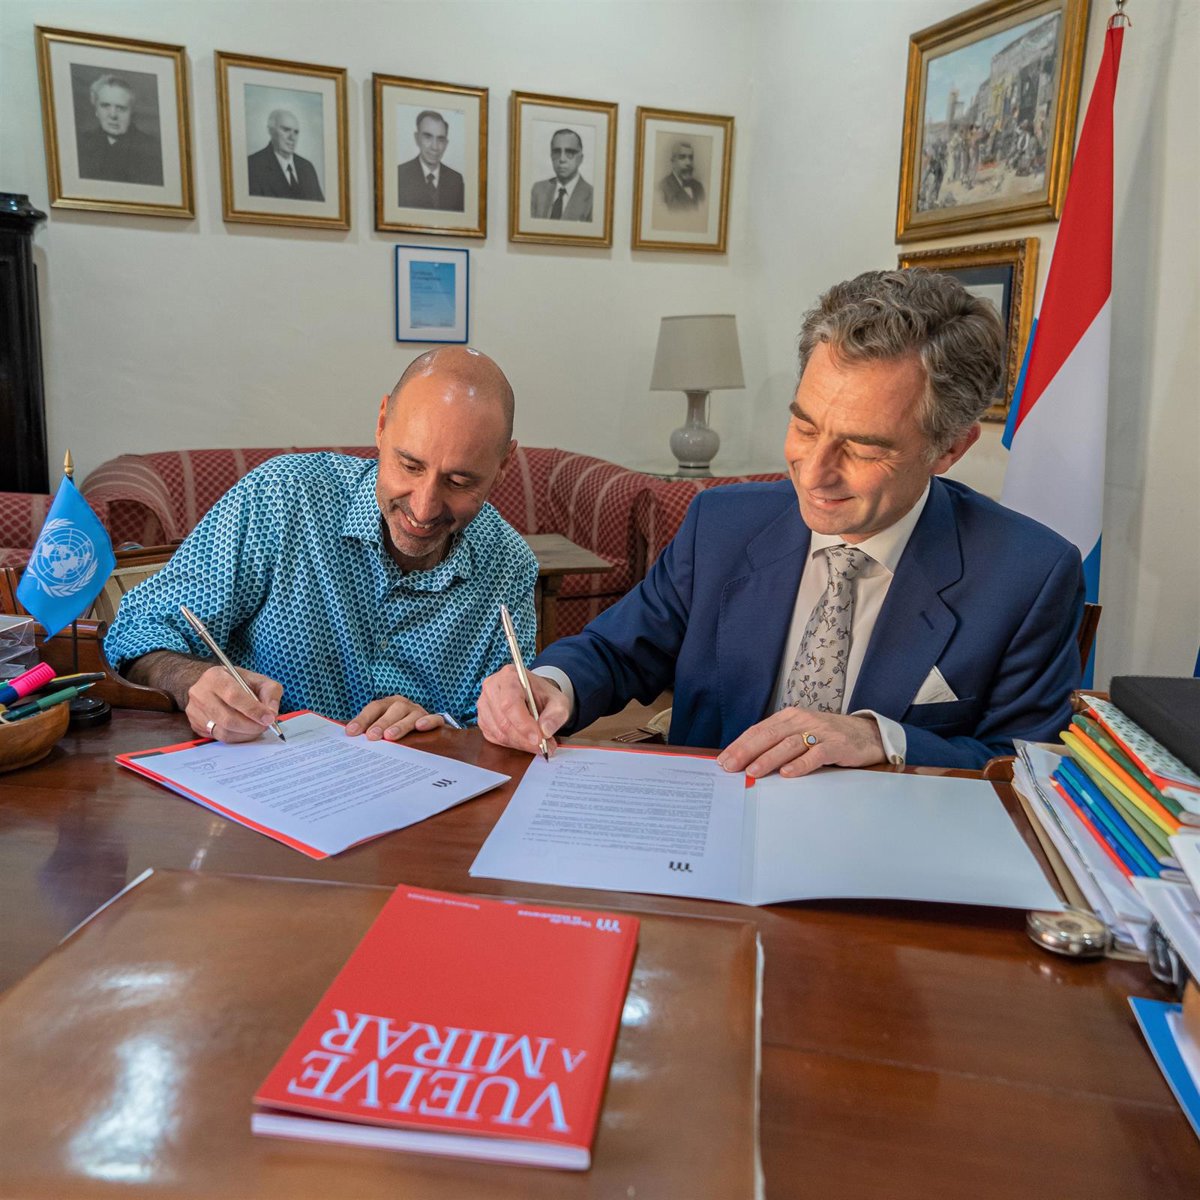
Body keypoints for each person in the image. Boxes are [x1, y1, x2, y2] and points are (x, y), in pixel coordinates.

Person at [478, 269, 1083, 775]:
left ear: (949, 448)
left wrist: (884, 740)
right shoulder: (721, 524)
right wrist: (551, 684)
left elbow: (1027, 767)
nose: (813, 473)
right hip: (706, 830)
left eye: (863, 448)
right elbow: (615, 650)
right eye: (805, 426)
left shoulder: (1027, 575)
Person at [105, 347, 537, 744]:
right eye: (409, 465)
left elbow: (498, 727)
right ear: (382, 424)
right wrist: (193, 681)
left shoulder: (509, 566)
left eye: (459, 482)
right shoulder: (282, 498)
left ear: (502, 466)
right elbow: (137, 631)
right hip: (264, 785)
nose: (423, 509)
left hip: (422, 794)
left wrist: (440, 730)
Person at [76, 74, 163, 186]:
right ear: (96, 110)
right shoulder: (81, 144)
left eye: (121, 108)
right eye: (105, 106)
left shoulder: (152, 150)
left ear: (132, 112)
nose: (113, 115)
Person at [247, 109, 324, 201]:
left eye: (296, 132)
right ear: (271, 131)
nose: (292, 137)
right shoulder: (252, 165)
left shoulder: (307, 167)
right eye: (286, 130)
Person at [396, 110, 465, 211]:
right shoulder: (399, 175)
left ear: (446, 144)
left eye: (440, 139)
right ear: (417, 138)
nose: (435, 147)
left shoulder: (456, 180)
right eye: (428, 137)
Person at [529, 129, 593, 221]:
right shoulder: (538, 190)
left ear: (580, 158)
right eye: (557, 152)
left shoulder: (592, 197)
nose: (562, 159)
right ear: (551, 156)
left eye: (570, 152)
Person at [657, 140, 705, 210]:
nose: (688, 163)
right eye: (682, 157)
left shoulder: (699, 187)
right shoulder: (662, 188)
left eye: (691, 158)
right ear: (673, 162)